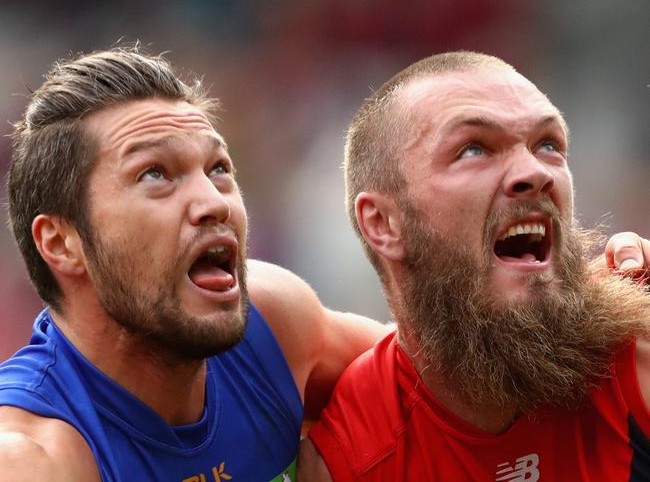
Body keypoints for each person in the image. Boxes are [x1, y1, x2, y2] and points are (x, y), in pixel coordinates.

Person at [0, 47, 646, 481]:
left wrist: (596, 297)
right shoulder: (34, 457)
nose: (211, 202)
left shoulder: (270, 327)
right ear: (62, 243)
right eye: (156, 175)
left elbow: (452, 363)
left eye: (218, 168)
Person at [299, 51, 650, 481]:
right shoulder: (350, 459)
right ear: (383, 223)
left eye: (548, 144)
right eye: (474, 149)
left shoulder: (635, 349)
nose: (534, 172)